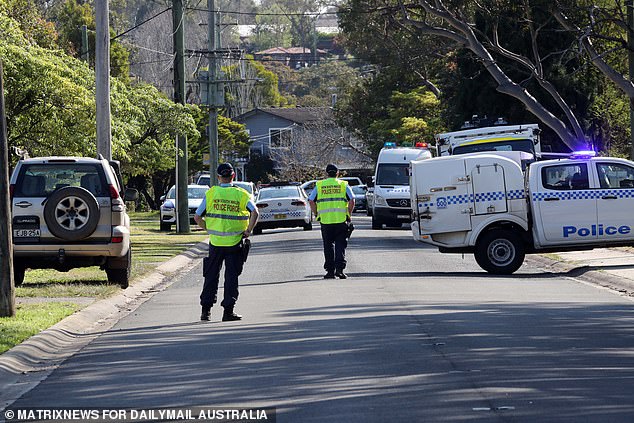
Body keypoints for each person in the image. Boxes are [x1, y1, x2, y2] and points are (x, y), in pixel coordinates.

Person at [194, 163, 259, 322]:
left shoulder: (211, 193)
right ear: (233, 176)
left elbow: (197, 217)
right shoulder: (241, 194)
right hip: (234, 243)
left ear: (218, 177)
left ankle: (206, 311)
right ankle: (228, 312)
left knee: (211, 276)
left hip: (215, 243)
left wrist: (209, 229)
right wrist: (248, 230)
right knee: (231, 277)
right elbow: (255, 212)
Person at [308, 164, 355, 279]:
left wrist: (316, 214)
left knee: (328, 246)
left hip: (325, 221)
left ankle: (330, 271)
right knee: (340, 245)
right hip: (341, 220)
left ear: (326, 173)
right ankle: (339, 270)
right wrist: (349, 214)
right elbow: (352, 200)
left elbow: (311, 201)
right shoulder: (343, 185)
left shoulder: (320, 185)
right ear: (337, 173)